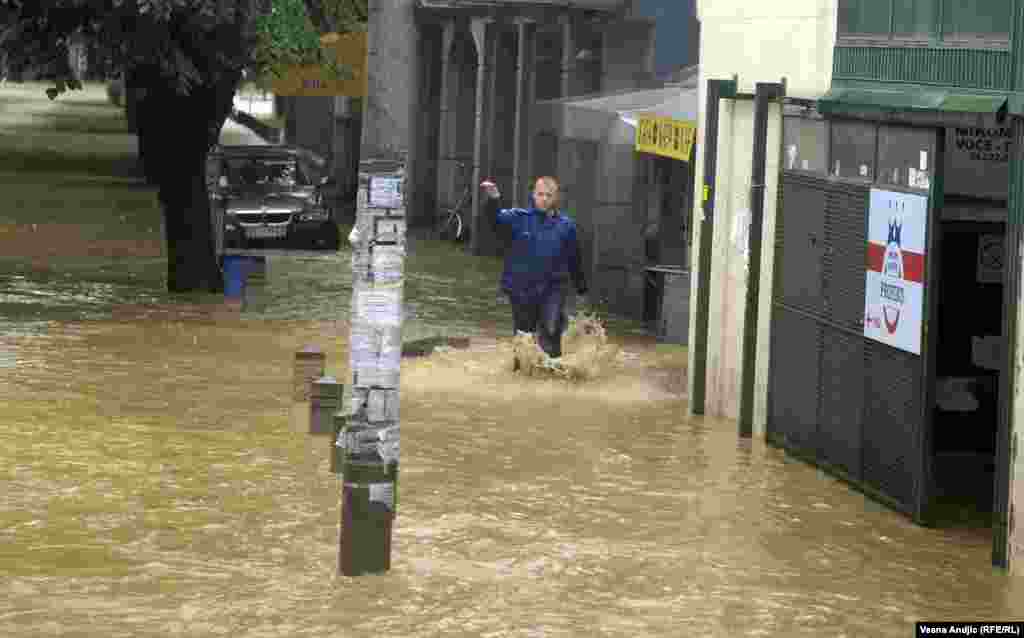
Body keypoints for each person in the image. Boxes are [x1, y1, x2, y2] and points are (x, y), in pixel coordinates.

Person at [481, 176, 587, 362]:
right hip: (522, 289)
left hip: (553, 289)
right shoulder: (518, 218)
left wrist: (581, 289)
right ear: (533, 195)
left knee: (551, 329)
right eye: (540, 194)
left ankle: (552, 373)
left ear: (556, 198)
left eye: (549, 195)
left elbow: (574, 259)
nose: (544, 199)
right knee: (524, 337)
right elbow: (495, 221)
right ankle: (520, 373)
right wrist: (493, 199)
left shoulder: (566, 226)